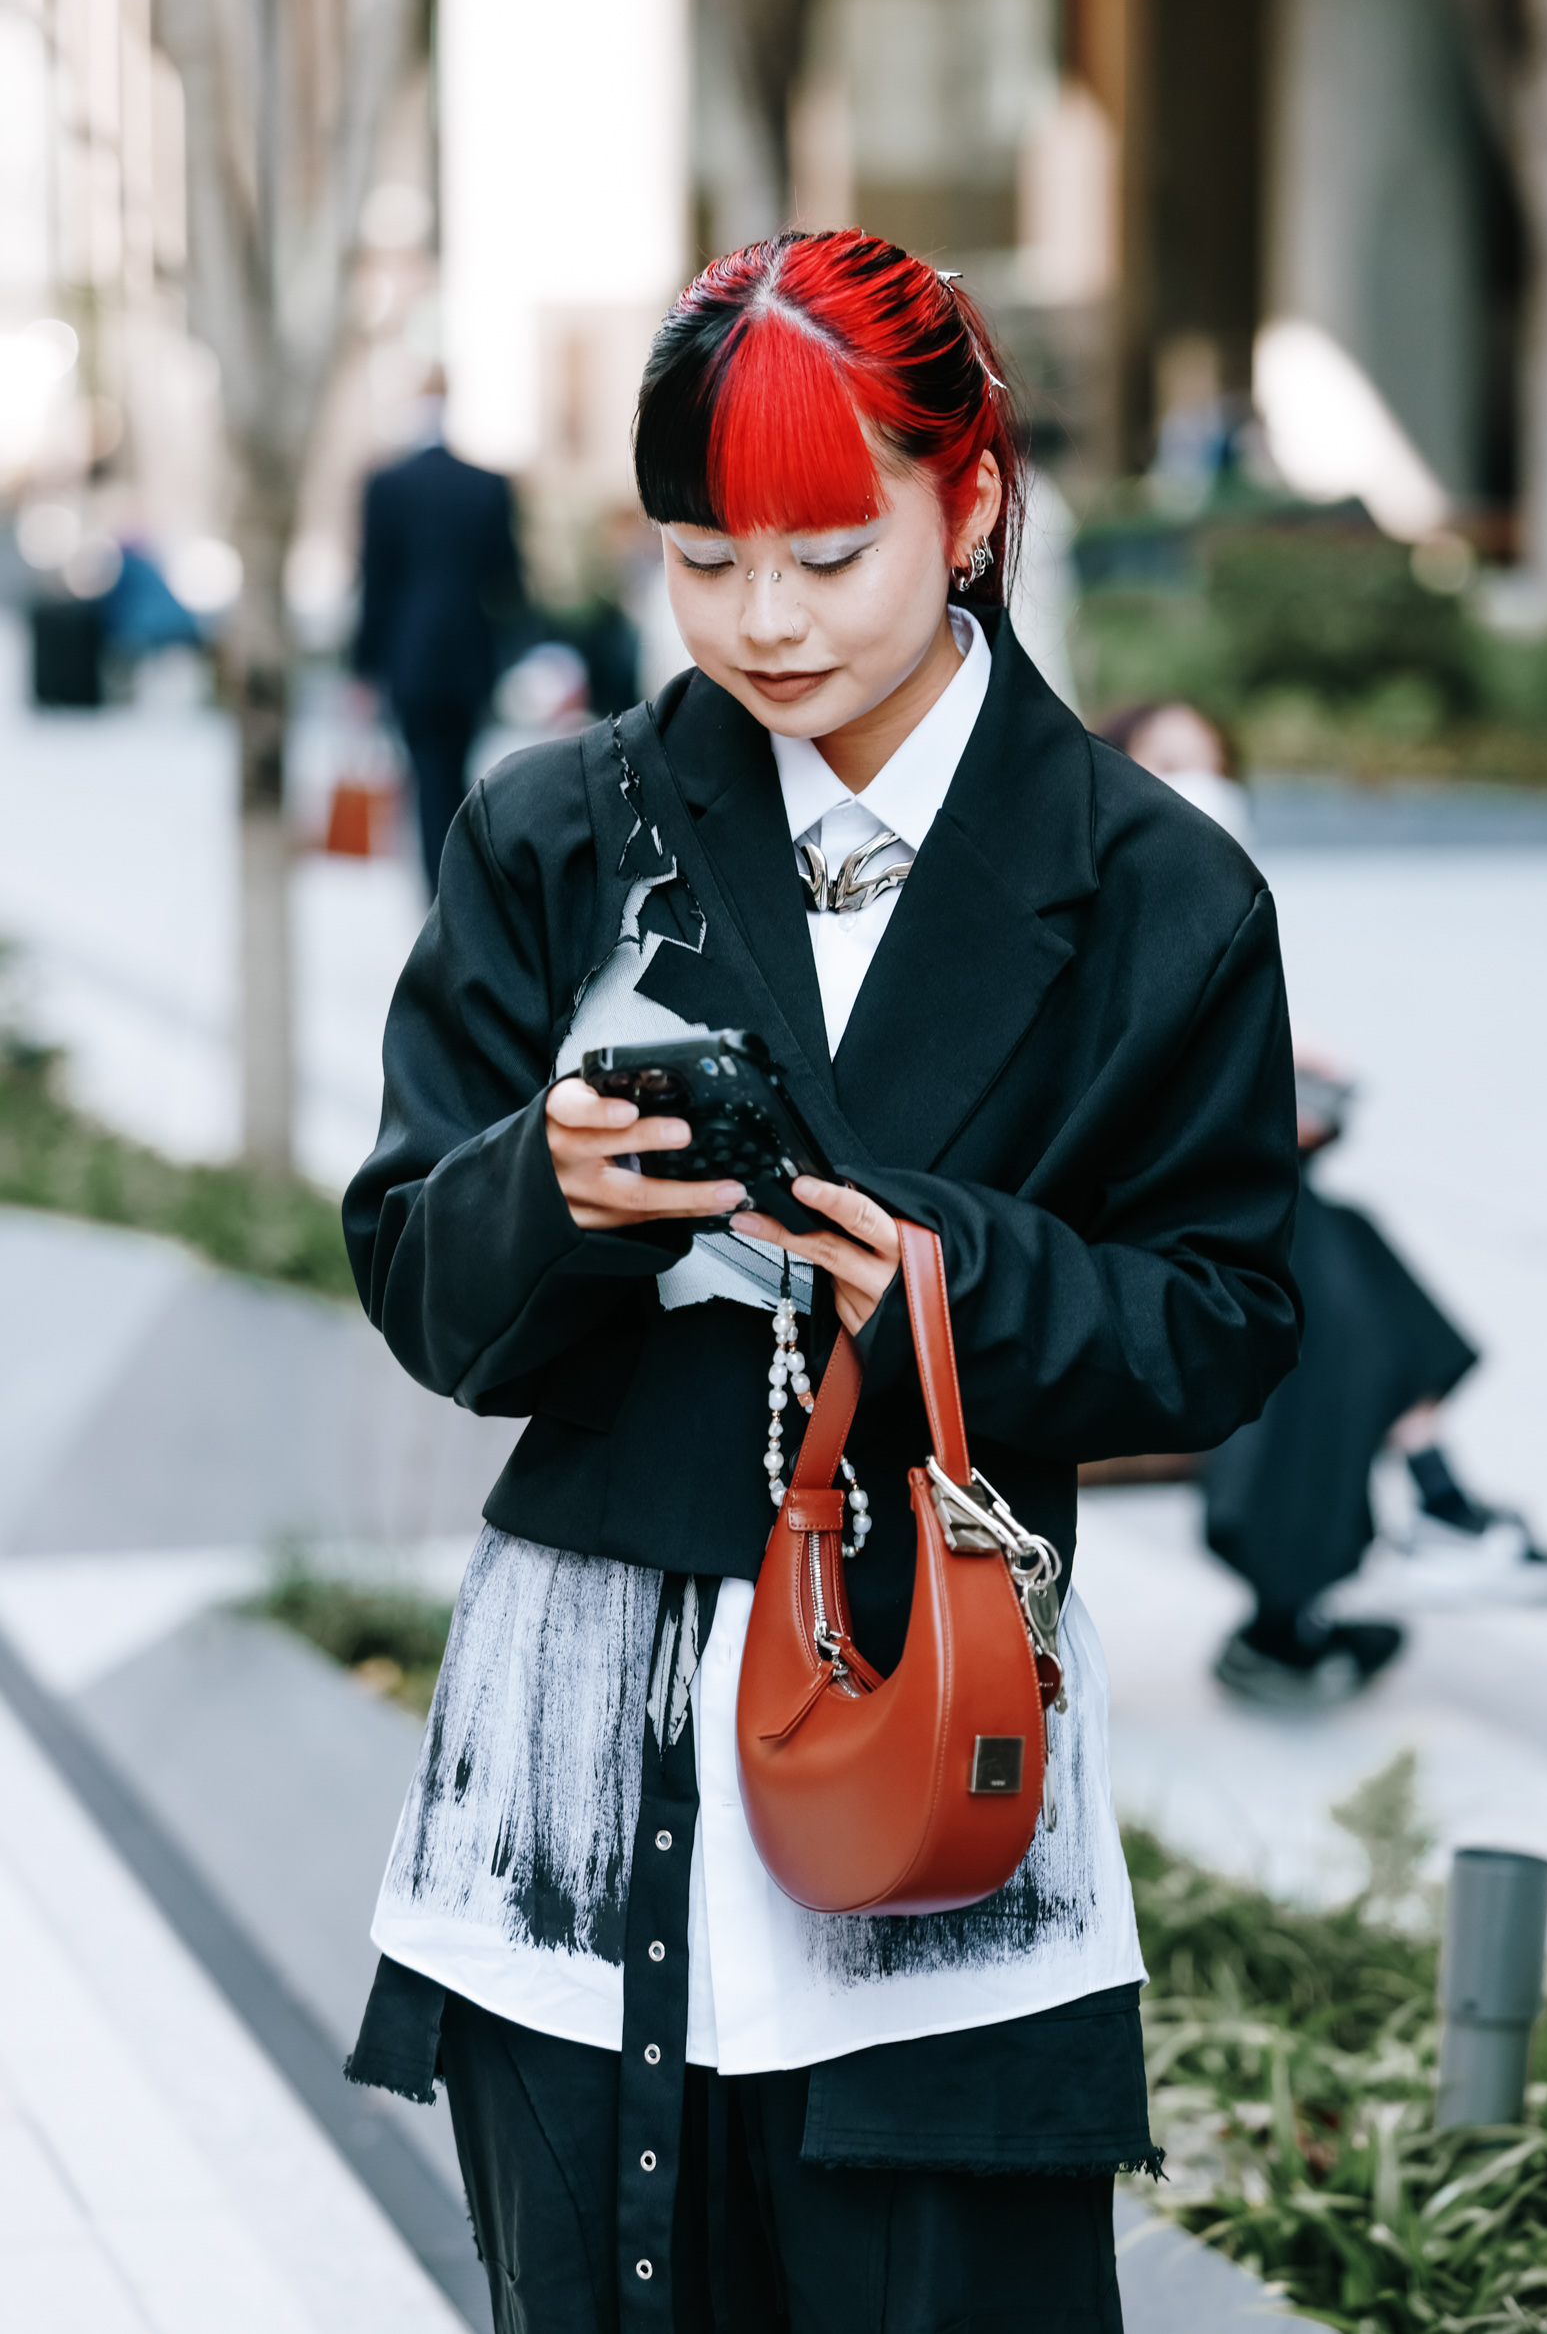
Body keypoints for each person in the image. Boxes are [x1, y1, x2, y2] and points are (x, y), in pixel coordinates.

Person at [342, 232, 1302, 2333]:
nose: (760, 621)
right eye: (702, 559)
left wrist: (954, 1274)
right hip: (579, 1771)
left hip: (937, 1743)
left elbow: (1225, 1312)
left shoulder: (1153, 882)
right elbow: (417, 1272)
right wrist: (555, 1184)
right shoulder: (556, 829)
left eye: (825, 552)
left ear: (966, 507)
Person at [1103, 698, 1547, 1711]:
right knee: (1309, 1259)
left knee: (1315, 1258)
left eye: (1212, 765)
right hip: (1086, 1243)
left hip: (1168, 1223)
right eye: (1165, 762)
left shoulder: (1205, 905)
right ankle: (1401, 1530)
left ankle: (1325, 1587)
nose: (1200, 787)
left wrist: (1282, 1087)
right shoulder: (1096, 897)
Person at [353, 372, 526, 895]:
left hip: (410, 655)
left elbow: (374, 583)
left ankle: (442, 895)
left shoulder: (387, 484)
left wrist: (363, 668)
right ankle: (457, 887)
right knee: (456, 773)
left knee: (428, 777)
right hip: (470, 653)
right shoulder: (487, 484)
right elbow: (509, 582)